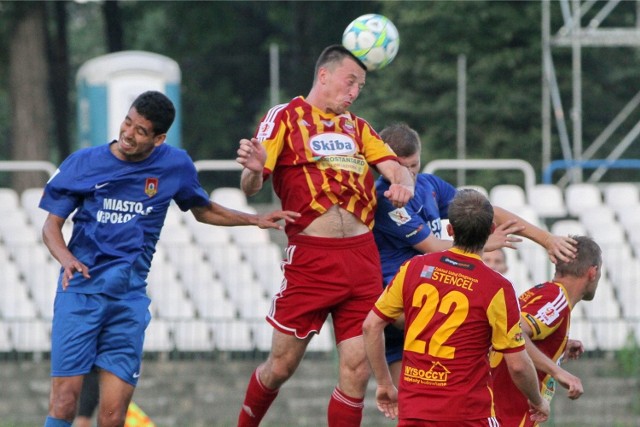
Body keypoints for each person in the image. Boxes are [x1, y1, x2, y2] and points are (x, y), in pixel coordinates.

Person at [39, 90, 299, 427]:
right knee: (64, 402)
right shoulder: (83, 163)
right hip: (80, 292)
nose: (128, 134)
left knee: (113, 414)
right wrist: (66, 257)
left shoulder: (174, 165)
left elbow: (203, 210)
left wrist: (253, 219)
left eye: (141, 131)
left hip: (127, 300)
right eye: (128, 123)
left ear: (159, 139)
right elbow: (50, 227)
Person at [235, 45, 415, 426]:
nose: (353, 93)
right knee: (281, 366)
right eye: (350, 82)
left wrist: (404, 183)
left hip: (362, 258)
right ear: (324, 75)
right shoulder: (284, 117)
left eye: (360, 87)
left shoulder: (359, 127)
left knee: (357, 371)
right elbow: (250, 185)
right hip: (312, 260)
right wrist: (253, 170)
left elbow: (397, 169)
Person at [372, 122, 578, 386]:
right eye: (402, 167)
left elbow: (484, 209)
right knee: (485, 332)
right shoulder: (387, 198)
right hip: (401, 304)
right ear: (385, 164)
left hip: (431, 297)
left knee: (433, 396)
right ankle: (551, 371)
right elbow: (433, 247)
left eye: (414, 165)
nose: (409, 174)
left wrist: (546, 238)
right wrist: (484, 243)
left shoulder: (428, 185)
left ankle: (551, 356)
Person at [363, 189, 550, 426]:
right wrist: (537, 400)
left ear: (450, 230)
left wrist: (384, 383)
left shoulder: (414, 267)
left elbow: (371, 326)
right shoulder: (496, 287)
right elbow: (518, 365)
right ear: (492, 231)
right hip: (467, 414)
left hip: (414, 411)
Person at [490, 235, 602, 427]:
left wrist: (556, 346)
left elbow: (511, 333)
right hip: (505, 417)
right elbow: (514, 333)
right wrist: (558, 372)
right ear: (593, 272)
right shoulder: (556, 297)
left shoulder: (545, 294)